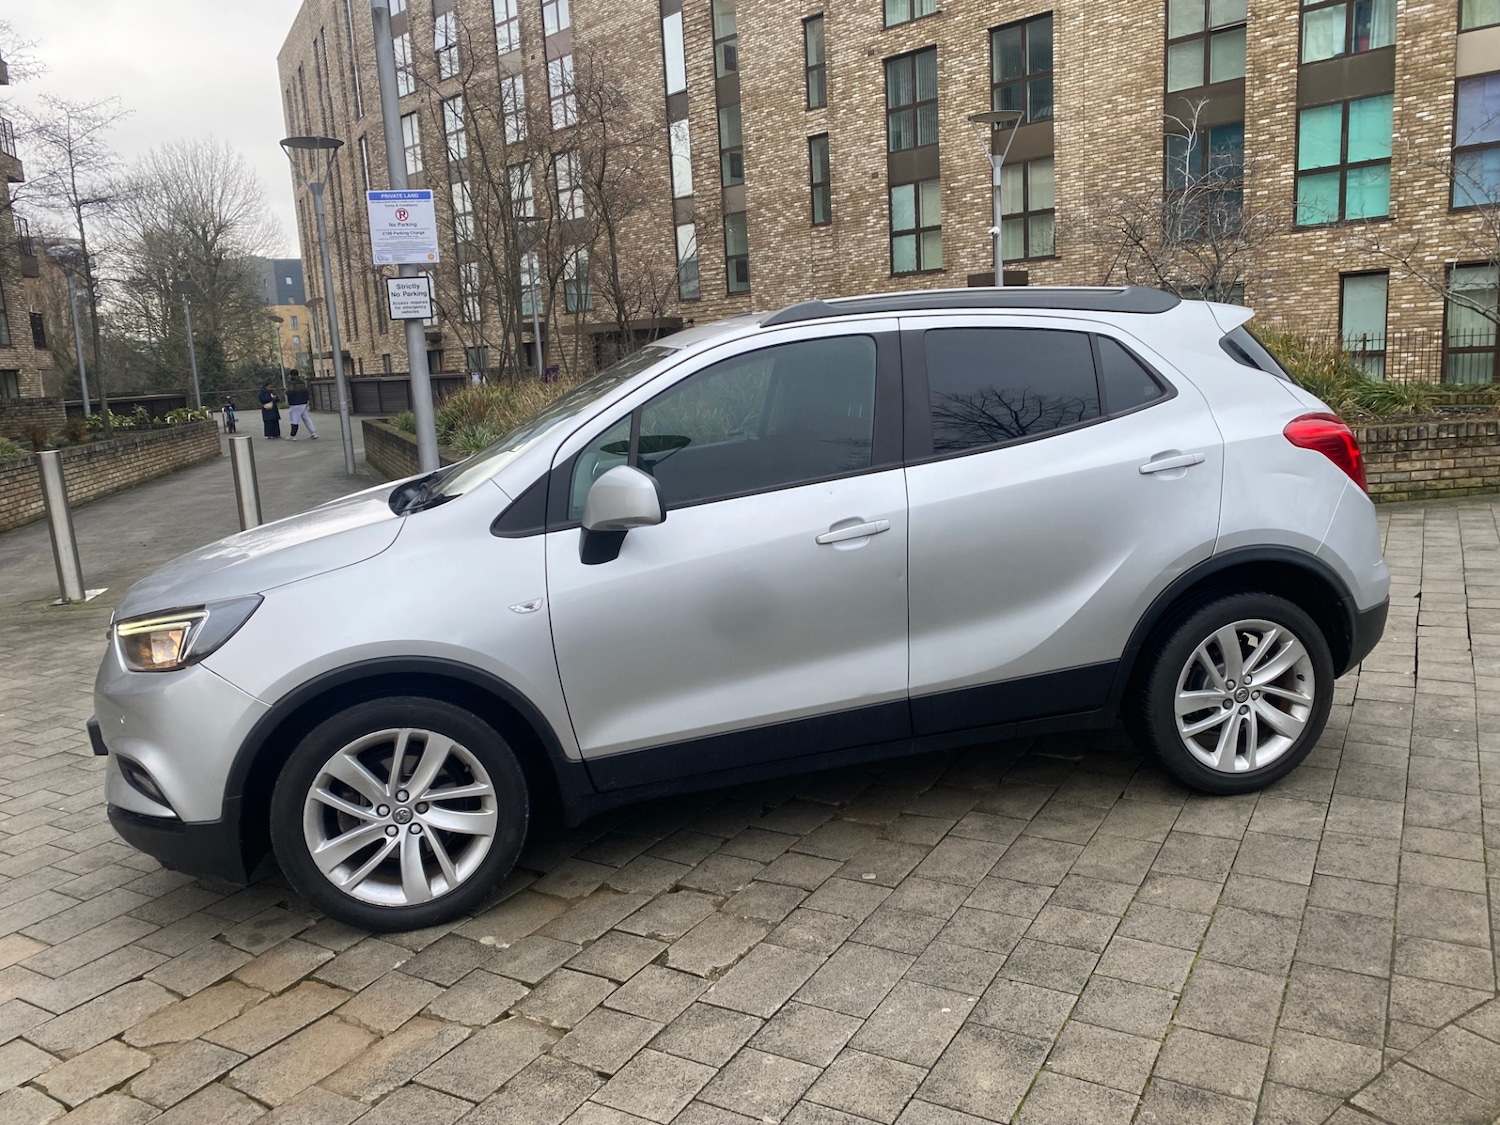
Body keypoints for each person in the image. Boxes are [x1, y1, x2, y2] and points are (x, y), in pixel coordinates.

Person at [286, 374, 317, 440]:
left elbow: (290, 392)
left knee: (294, 419)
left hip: (295, 403)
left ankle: (292, 435)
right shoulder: (302, 382)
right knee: (306, 419)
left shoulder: (291, 383)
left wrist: (286, 392)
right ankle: (313, 433)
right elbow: (306, 392)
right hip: (303, 402)